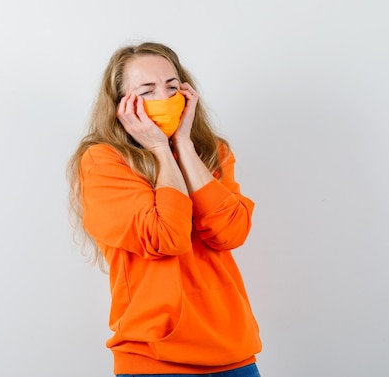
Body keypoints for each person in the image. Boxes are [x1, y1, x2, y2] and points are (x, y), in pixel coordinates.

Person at [67, 42, 262, 376]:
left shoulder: (212, 151)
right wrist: (159, 148)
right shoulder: (103, 161)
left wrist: (184, 145)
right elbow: (166, 237)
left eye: (172, 86)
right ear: (122, 105)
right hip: (155, 357)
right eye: (148, 90)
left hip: (234, 350)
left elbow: (231, 232)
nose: (165, 97)